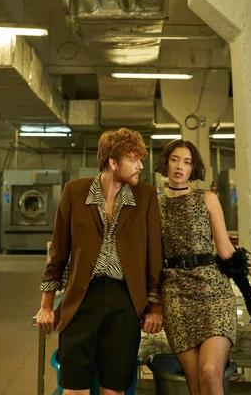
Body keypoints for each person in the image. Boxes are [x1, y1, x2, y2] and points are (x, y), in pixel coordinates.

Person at [36, 128, 163, 395]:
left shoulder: (146, 195)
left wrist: (155, 308)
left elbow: (154, 257)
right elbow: (58, 253)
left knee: (113, 389)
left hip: (125, 301)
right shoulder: (74, 192)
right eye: (133, 158)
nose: (141, 165)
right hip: (81, 300)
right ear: (113, 162)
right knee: (73, 388)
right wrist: (47, 306)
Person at [155, 139, 251, 395]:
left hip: (213, 293)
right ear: (165, 163)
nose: (180, 167)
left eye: (187, 162)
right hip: (176, 294)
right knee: (195, 382)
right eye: (175, 160)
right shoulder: (155, 206)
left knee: (209, 371)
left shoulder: (207, 199)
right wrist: (152, 303)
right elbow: (150, 258)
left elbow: (227, 251)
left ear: (193, 168)